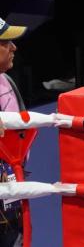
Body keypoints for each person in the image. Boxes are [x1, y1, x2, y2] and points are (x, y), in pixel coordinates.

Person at [0, 17, 28, 247]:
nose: (14, 47)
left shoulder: (7, 82)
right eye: (6, 41)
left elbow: (22, 138)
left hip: (12, 198)